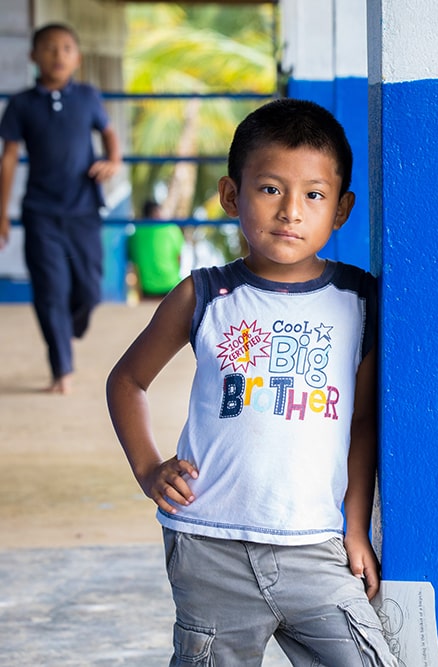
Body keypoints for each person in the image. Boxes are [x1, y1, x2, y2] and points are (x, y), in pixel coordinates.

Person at [106, 98, 396, 667]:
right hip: (208, 545)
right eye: (270, 189)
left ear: (340, 210)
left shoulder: (359, 301)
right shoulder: (205, 294)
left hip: (315, 547)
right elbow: (127, 381)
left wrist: (355, 528)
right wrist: (147, 468)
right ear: (232, 195)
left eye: (314, 195)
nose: (291, 211)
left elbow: (362, 424)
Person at [0, 22, 122, 394]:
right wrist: (1, 213)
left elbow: (108, 131)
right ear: (34, 56)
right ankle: (61, 369)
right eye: (50, 48)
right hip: (41, 213)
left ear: (77, 58)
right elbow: (8, 159)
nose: (58, 55)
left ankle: (68, 330)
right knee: (50, 290)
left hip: (84, 209)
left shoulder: (87, 96)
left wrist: (113, 159)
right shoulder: (21, 104)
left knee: (89, 290)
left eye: (66, 48)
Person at [128, 199, 185, 299]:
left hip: (148, 289)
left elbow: (135, 265)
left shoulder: (136, 234)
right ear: (158, 212)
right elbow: (179, 259)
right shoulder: (172, 229)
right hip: (172, 286)